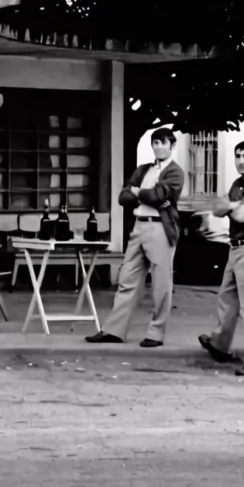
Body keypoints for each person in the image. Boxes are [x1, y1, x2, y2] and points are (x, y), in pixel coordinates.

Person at [86, 127, 185, 347]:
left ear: (172, 146)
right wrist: (145, 195)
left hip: (160, 228)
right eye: (155, 143)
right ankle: (114, 330)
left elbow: (158, 195)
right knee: (127, 279)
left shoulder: (175, 172)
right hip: (139, 227)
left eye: (163, 143)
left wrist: (139, 192)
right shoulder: (144, 169)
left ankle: (156, 334)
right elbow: (123, 197)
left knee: (161, 284)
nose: (158, 147)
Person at [200, 140, 244, 376]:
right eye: (238, 156)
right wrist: (232, 204)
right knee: (227, 300)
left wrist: (230, 205)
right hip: (236, 248)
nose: (241, 160)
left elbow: (241, 216)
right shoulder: (237, 183)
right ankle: (219, 345)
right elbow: (217, 208)